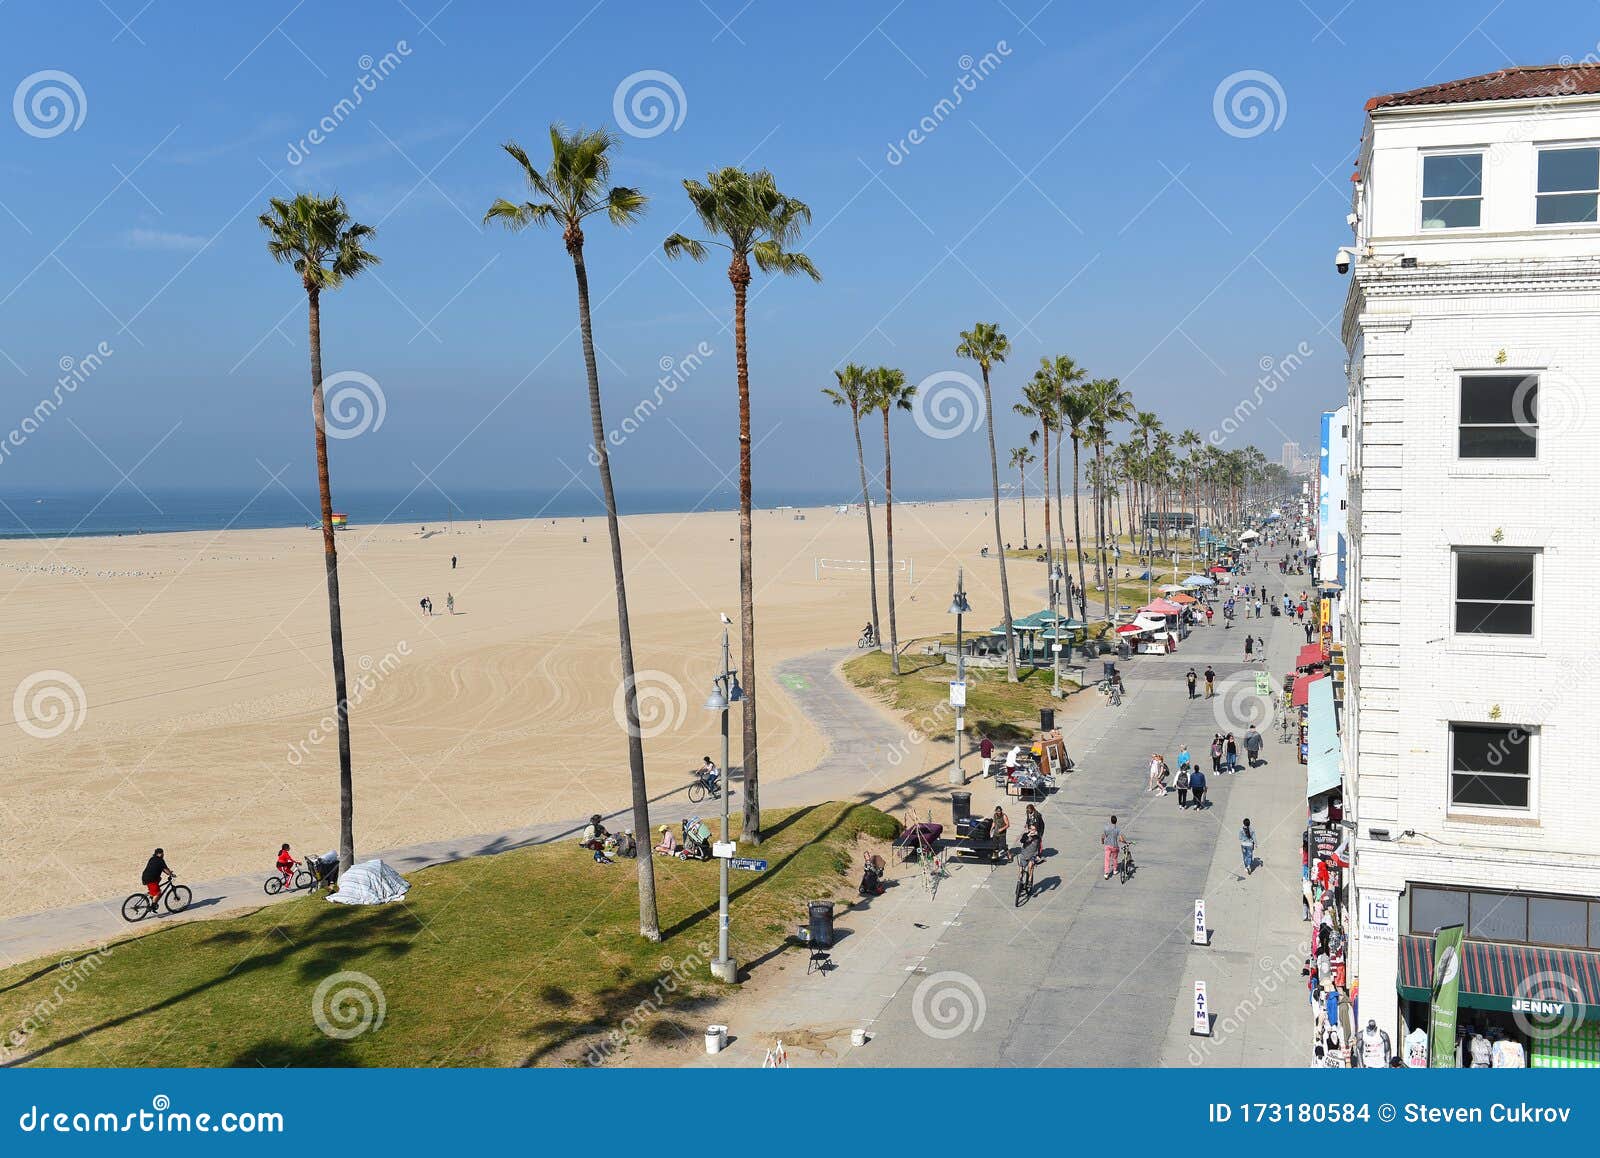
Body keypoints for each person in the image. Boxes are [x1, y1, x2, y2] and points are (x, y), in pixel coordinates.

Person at [1018, 821, 1042, 892]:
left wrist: (1039, 855)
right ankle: (1020, 883)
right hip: (1024, 854)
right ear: (1029, 829)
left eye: (1034, 830)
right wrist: (1028, 835)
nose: (1032, 831)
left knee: (1030, 866)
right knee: (1021, 872)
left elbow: (1040, 847)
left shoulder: (1038, 837)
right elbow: (1022, 841)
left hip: (1033, 855)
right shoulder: (1025, 835)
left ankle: (1029, 881)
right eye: (1031, 829)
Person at [1101, 815, 1122, 880]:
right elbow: (1121, 838)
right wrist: (1123, 841)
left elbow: (1103, 836)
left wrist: (1102, 841)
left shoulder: (1106, 828)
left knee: (1107, 859)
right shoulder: (1117, 829)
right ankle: (1115, 870)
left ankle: (1106, 873)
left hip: (1108, 846)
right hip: (1115, 846)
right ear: (1116, 821)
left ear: (1111, 821)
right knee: (1115, 858)